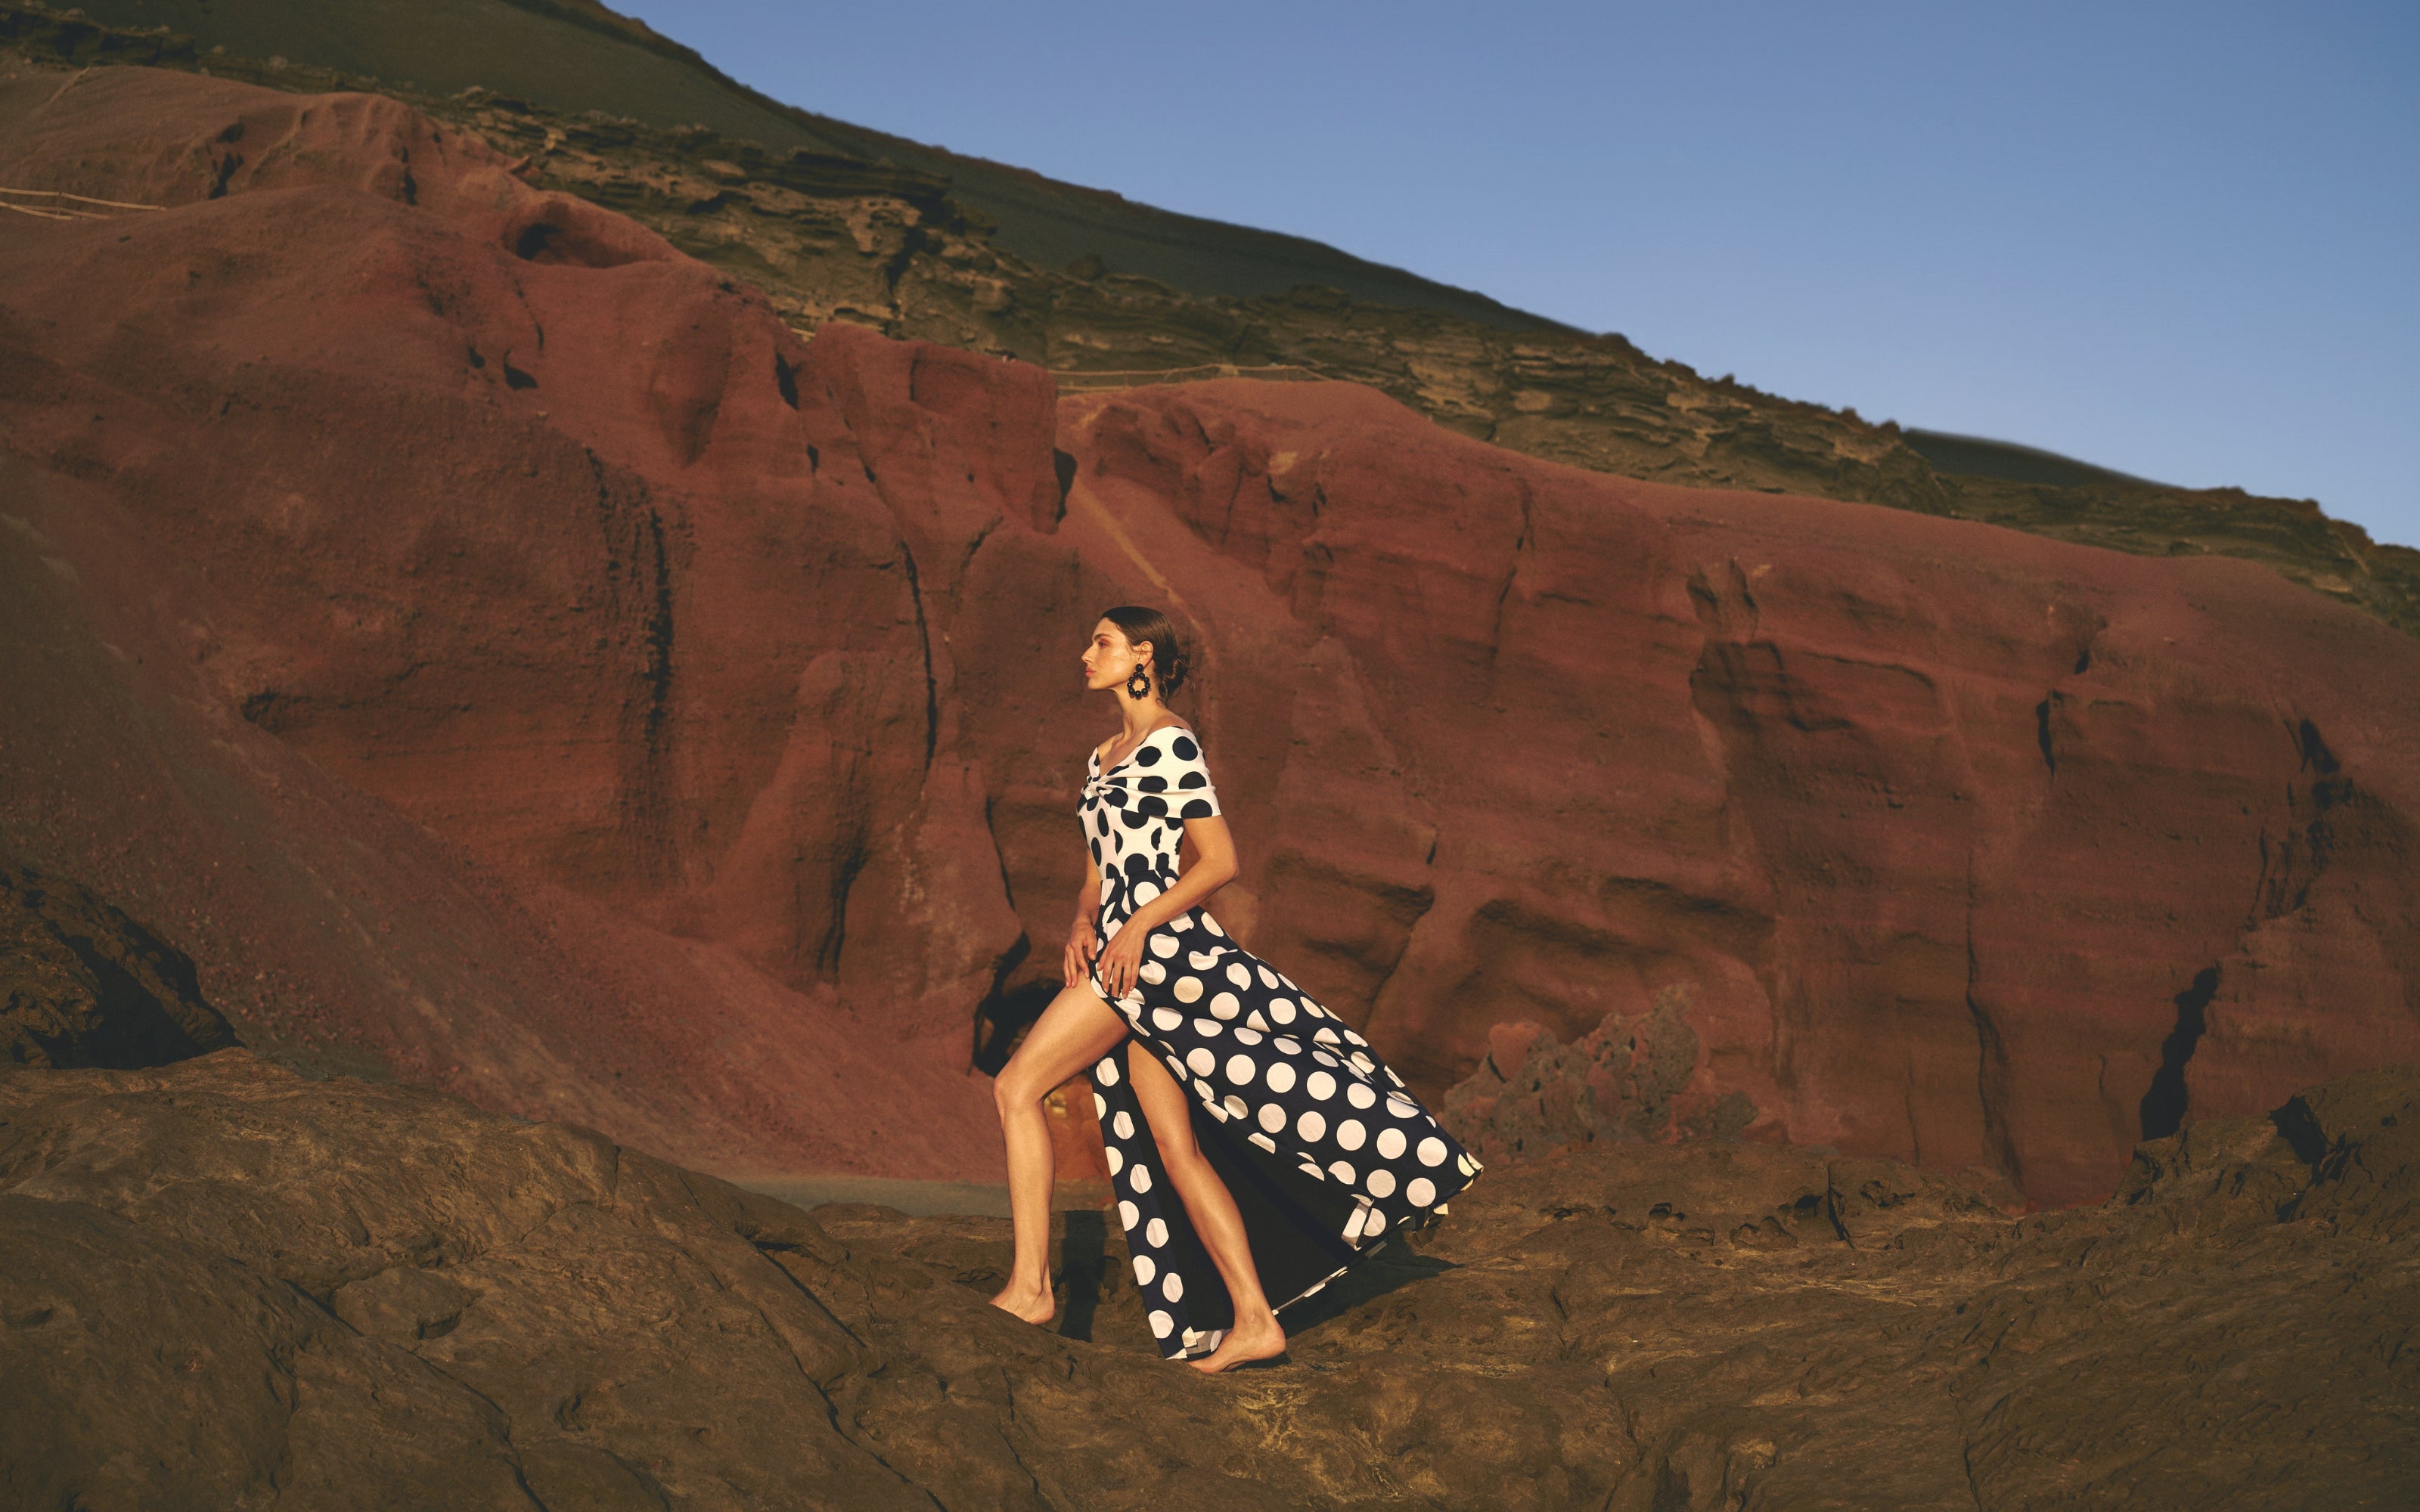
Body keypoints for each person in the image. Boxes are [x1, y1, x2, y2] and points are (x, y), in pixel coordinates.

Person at [988, 605, 1481, 1371]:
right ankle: (1254, 1319)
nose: (1086, 653)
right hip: (1117, 949)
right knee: (1174, 1146)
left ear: (1142, 656)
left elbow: (1219, 862)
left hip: (1152, 956)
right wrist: (1083, 920)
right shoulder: (1102, 757)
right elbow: (1096, 872)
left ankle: (1031, 1288)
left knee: (1017, 1086)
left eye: (1103, 642)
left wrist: (1135, 927)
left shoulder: (1172, 742)